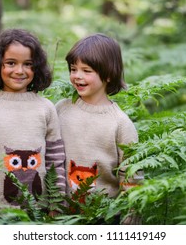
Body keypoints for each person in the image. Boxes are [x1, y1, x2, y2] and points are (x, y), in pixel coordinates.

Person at [0, 29, 66, 213]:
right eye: (11, 63)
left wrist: (56, 206)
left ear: (37, 67)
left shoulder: (46, 108)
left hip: (39, 213)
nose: (19, 71)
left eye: (28, 64)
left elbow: (55, 161)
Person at [55, 33, 143, 221]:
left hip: (102, 218)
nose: (77, 76)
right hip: (59, 215)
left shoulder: (120, 123)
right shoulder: (61, 109)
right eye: (73, 69)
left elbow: (131, 178)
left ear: (109, 74)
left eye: (87, 71)